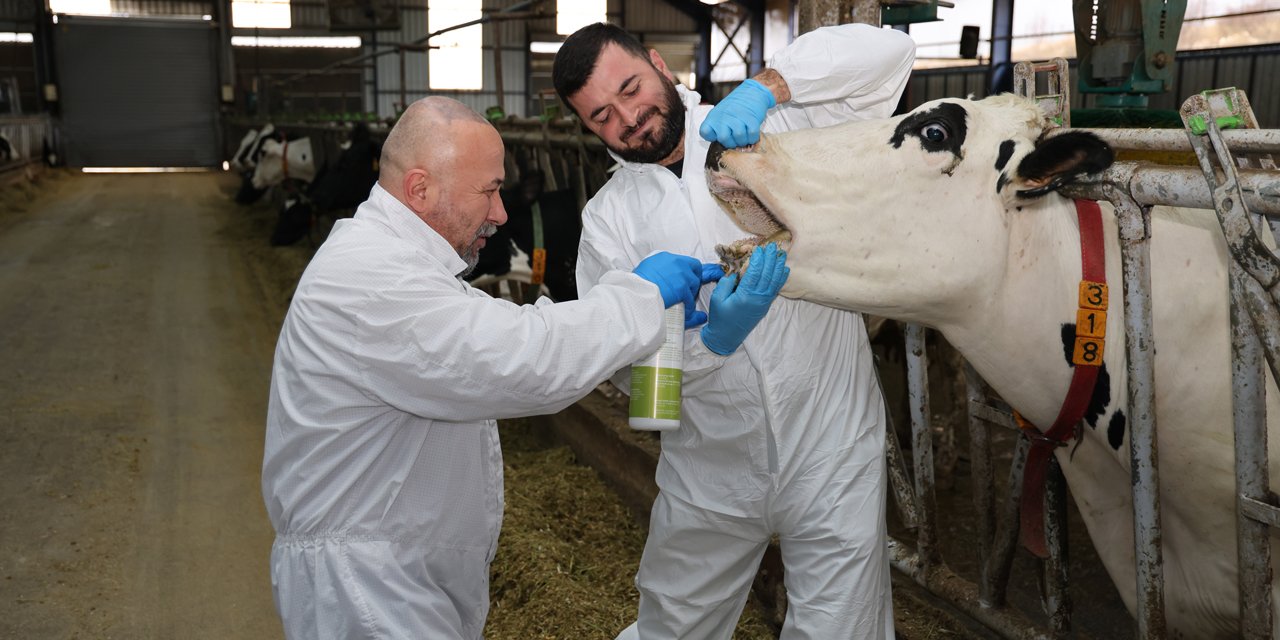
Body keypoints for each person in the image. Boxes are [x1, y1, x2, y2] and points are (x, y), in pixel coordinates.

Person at [260, 96, 728, 639]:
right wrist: (642, 297)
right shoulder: (374, 281)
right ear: (419, 189)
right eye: (490, 191)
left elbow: (504, 333)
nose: (503, 213)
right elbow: (524, 359)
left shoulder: (396, 263)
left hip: (395, 568)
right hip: (369, 590)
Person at [553, 22, 915, 640]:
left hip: (828, 443)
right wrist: (710, 344)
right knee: (673, 627)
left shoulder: (774, 128)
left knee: (842, 630)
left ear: (660, 66)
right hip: (708, 465)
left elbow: (892, 54)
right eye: (603, 116)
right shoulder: (607, 223)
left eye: (632, 88)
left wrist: (768, 88)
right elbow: (626, 378)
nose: (629, 119)